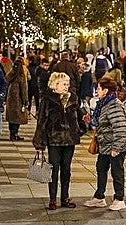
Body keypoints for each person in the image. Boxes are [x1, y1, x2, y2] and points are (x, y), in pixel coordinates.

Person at [32, 72, 86, 210]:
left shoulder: (73, 98)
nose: (66, 87)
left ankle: (65, 197)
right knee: (54, 170)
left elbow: (79, 115)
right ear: (55, 85)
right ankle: (52, 199)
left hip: (69, 139)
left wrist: (81, 128)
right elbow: (42, 121)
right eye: (64, 84)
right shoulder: (48, 99)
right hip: (54, 139)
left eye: (68, 84)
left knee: (66, 170)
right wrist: (40, 143)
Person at [84, 77, 126, 211]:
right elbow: (102, 122)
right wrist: (90, 120)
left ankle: (119, 199)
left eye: (99, 88)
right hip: (106, 143)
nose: (96, 91)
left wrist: (116, 148)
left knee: (117, 171)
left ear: (105, 90)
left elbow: (120, 128)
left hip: (117, 143)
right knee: (101, 168)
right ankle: (99, 197)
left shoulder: (114, 105)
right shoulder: (103, 104)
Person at [5, 57, 28, 141]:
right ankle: (15, 134)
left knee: (12, 118)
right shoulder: (21, 76)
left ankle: (12, 134)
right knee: (17, 118)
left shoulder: (11, 75)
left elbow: (6, 82)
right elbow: (24, 90)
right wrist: (25, 101)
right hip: (18, 100)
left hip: (10, 100)